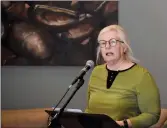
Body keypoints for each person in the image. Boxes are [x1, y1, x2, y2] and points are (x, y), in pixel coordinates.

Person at [85, 24, 161, 128]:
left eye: (112, 42)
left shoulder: (142, 75)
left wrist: (123, 124)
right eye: (103, 43)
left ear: (124, 47)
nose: (107, 47)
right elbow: (89, 110)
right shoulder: (96, 72)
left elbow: (152, 115)